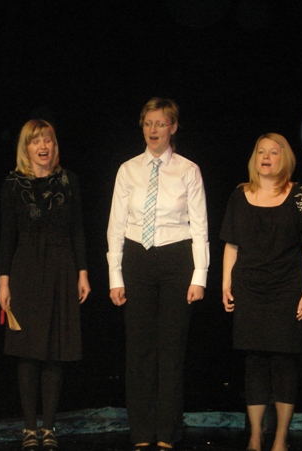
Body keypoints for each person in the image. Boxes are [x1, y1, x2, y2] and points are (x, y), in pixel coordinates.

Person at [107, 98, 208, 451]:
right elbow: (116, 226)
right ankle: (141, 431)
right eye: (148, 123)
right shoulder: (128, 170)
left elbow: (200, 225)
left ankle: (166, 431)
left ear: (173, 127)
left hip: (176, 259)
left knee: (171, 349)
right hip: (137, 258)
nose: (153, 130)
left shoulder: (188, 170)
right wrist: (115, 276)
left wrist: (200, 275)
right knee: (139, 350)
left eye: (160, 123)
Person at [220, 133, 302, 451]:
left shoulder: (300, 196)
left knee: (283, 361)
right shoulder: (239, 195)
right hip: (249, 288)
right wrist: (225, 283)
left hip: (287, 289)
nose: (266, 157)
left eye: (273, 152)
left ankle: (280, 438)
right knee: (254, 361)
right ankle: (255, 435)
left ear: (284, 158)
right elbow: (231, 245)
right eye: (261, 151)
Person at [0, 119, 91, 451]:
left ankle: (49, 427)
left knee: (54, 350)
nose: (43, 146)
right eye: (36, 141)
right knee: (27, 350)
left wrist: (83, 272)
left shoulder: (69, 181)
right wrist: (3, 283)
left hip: (62, 266)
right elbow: (7, 235)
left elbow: (78, 229)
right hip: (25, 268)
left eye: (48, 140)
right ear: (26, 147)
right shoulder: (13, 184)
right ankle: (29, 428)